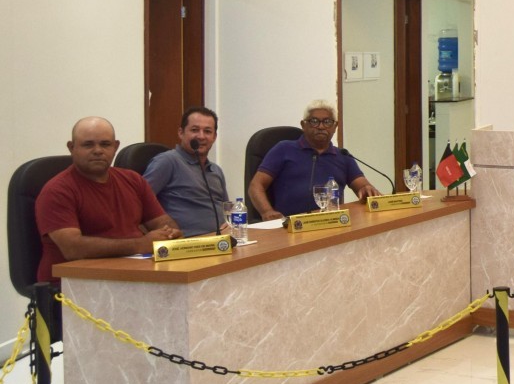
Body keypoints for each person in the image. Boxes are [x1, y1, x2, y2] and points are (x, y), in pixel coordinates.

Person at [34, 117, 182, 283]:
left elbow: (162, 222)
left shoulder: (133, 180)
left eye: (105, 144)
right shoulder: (57, 190)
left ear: (115, 147)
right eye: (88, 145)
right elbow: (73, 248)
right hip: (74, 285)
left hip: (131, 274)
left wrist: (169, 234)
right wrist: (141, 244)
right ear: (71, 147)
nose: (98, 151)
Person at [249, 100, 380, 220]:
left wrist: (367, 189)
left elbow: (362, 186)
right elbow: (256, 186)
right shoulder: (284, 149)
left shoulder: (343, 156)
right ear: (303, 125)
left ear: (335, 126)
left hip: (332, 222)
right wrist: (267, 212)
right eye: (314, 121)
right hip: (289, 225)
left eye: (327, 122)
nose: (321, 127)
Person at [143, 106, 231, 235]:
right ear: (181, 133)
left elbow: (226, 210)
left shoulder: (216, 170)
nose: (201, 136)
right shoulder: (167, 161)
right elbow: (138, 201)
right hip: (185, 242)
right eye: (195, 130)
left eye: (207, 131)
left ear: (214, 137)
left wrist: (229, 223)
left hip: (219, 240)